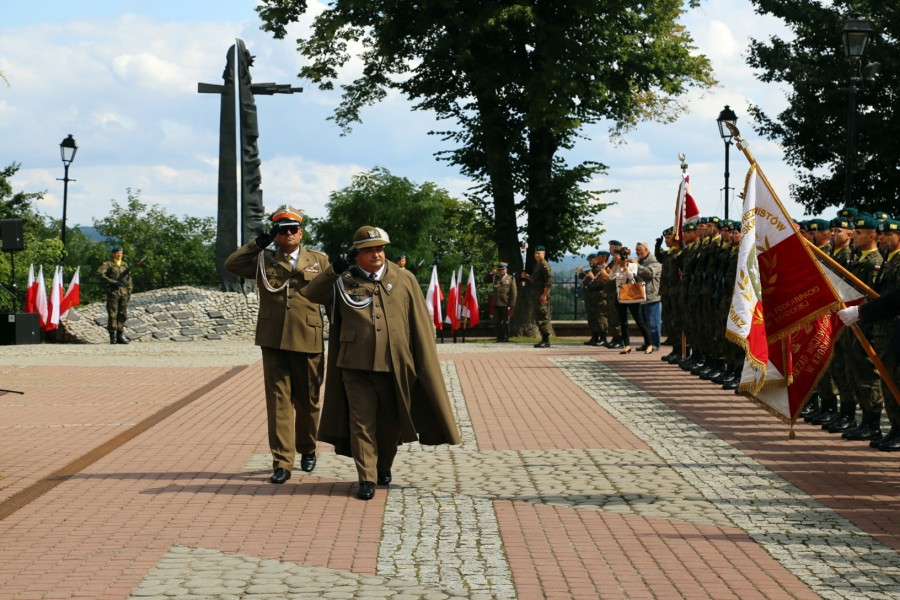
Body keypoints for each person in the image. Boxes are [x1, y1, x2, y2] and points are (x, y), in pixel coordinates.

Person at [302, 225, 461, 500]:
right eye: (368, 250)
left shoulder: (404, 278)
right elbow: (312, 294)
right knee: (361, 424)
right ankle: (366, 478)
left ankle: (383, 466)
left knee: (390, 425)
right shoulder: (343, 280)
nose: (376, 254)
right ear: (357, 254)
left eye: (379, 248)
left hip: (395, 365)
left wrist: (422, 364)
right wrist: (333, 270)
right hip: (355, 366)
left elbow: (419, 325)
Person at [224, 205, 329, 485]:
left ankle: (307, 447)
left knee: (308, 402)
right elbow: (232, 265)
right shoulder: (263, 260)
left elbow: (332, 297)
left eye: (293, 228)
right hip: (274, 340)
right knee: (279, 402)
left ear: (301, 232)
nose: (289, 233)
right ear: (276, 234)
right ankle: (282, 461)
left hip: (309, 339)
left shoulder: (318, 260)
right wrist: (260, 242)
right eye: (282, 230)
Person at [610, 247, 651, 354]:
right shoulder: (617, 265)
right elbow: (610, 277)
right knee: (623, 322)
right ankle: (627, 345)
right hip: (620, 295)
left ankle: (649, 344)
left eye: (626, 255)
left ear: (629, 256)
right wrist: (616, 265)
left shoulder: (633, 265)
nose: (624, 257)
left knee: (639, 321)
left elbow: (632, 278)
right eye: (622, 254)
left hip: (632, 295)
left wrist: (625, 268)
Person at [97, 246, 133, 345]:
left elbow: (129, 279)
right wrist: (112, 282)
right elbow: (100, 274)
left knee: (122, 314)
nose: (119, 254)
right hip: (113, 292)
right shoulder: (108, 264)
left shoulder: (125, 265)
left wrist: (129, 290)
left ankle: (120, 336)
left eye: (120, 252)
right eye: (117, 252)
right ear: (113, 254)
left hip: (124, 292)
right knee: (113, 314)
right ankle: (112, 336)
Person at [521, 245, 553, 348]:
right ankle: (543, 338)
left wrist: (544, 294)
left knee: (543, 317)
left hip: (541, 295)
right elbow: (535, 280)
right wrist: (527, 276)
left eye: (539, 253)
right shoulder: (537, 265)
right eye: (536, 253)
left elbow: (549, 281)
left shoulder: (544, 265)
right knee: (538, 316)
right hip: (536, 295)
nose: (537, 255)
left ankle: (546, 340)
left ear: (544, 253)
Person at [635, 242, 662, 353]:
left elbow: (649, 273)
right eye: (636, 250)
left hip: (652, 296)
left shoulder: (654, 262)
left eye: (639, 250)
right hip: (641, 296)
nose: (637, 252)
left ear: (646, 249)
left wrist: (637, 266)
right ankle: (648, 343)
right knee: (644, 323)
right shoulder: (640, 262)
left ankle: (655, 343)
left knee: (653, 323)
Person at [484, 261, 517, 342]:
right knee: (496, 321)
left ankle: (506, 337)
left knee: (505, 322)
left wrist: (512, 305)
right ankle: (499, 337)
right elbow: (485, 279)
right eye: (499, 270)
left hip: (505, 303)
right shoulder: (495, 277)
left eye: (502, 269)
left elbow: (514, 292)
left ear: (506, 270)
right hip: (496, 303)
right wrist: (491, 273)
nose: (501, 271)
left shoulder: (510, 278)